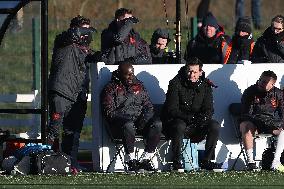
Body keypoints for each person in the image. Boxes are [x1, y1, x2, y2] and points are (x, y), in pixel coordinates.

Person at [47, 15, 96, 174]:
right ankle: (45, 161)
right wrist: (82, 31)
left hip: (78, 95)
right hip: (62, 92)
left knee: (73, 133)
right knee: (54, 129)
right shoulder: (63, 40)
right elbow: (73, 34)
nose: (87, 34)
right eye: (84, 30)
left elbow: (97, 56)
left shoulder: (86, 49)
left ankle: (70, 163)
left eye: (88, 30)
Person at [101, 60, 162, 172]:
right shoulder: (110, 88)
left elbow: (149, 106)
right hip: (121, 126)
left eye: (132, 74)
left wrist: (144, 120)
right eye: (127, 74)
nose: (131, 76)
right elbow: (109, 112)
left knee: (157, 123)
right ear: (119, 73)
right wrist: (128, 120)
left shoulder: (139, 86)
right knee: (128, 125)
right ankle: (131, 160)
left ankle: (145, 159)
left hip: (139, 123)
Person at [162, 57, 221, 171]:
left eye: (194, 72)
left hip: (196, 123)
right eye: (189, 71)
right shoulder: (175, 83)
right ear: (185, 70)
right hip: (176, 122)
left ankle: (206, 161)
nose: (191, 74)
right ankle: (176, 162)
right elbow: (172, 109)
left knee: (215, 126)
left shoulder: (206, 85)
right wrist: (190, 118)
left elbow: (209, 109)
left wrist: (203, 118)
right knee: (180, 125)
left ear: (200, 72)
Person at [240, 70, 284, 171]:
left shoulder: (278, 94)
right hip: (253, 123)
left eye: (264, 82)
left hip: (268, 123)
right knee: (246, 126)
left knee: (283, 129)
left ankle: (276, 162)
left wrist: (279, 124)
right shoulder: (250, 91)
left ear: (272, 84)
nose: (260, 83)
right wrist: (262, 121)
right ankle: (251, 163)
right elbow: (246, 113)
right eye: (260, 80)